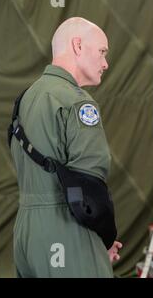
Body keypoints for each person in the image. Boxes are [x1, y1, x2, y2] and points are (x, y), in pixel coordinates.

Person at [10, 17, 122, 277]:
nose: (105, 63)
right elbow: (90, 189)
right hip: (67, 231)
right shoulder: (77, 102)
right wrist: (102, 241)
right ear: (78, 45)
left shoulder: (25, 98)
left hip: (26, 234)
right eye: (102, 52)